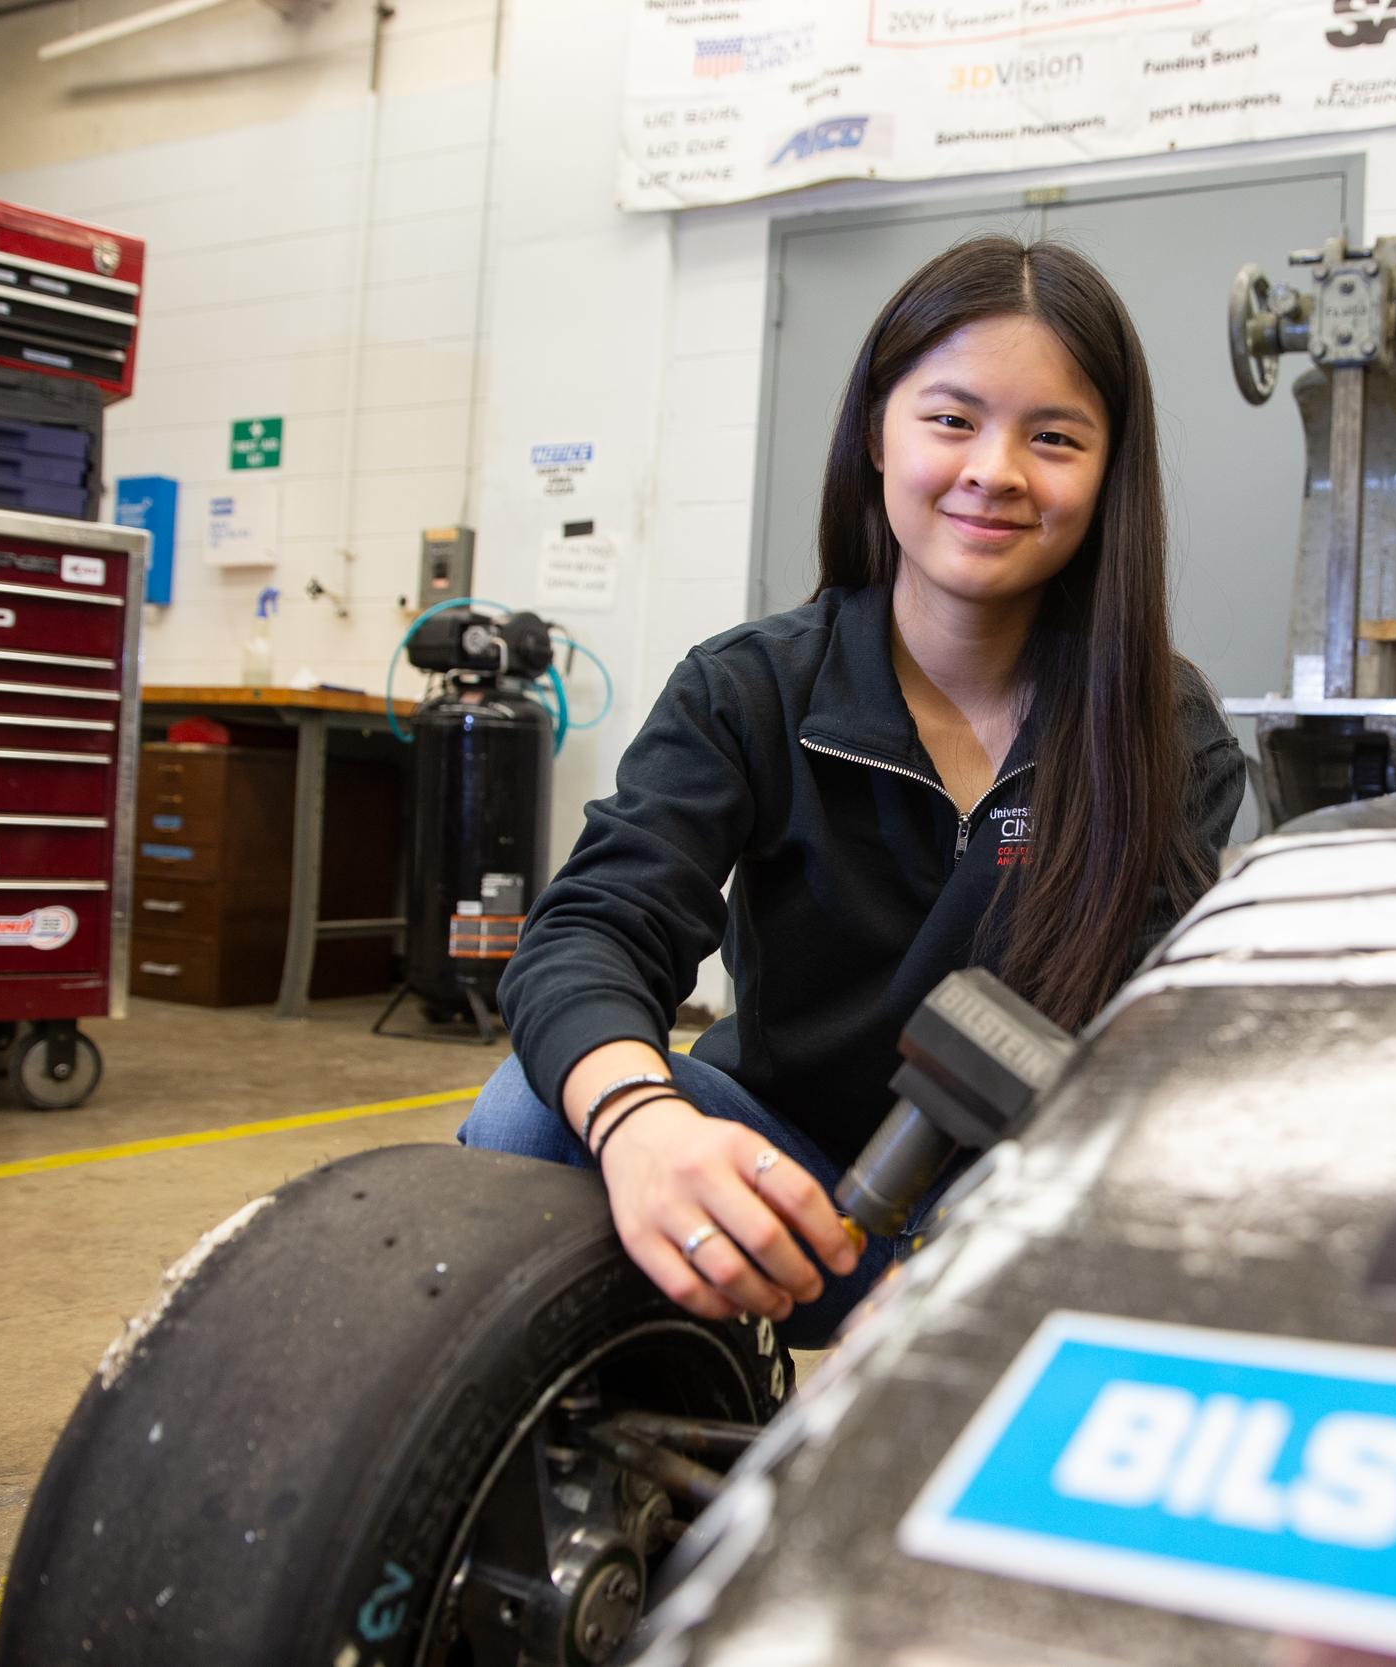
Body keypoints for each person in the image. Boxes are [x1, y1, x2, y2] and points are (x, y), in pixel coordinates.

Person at [458, 236, 1246, 1347]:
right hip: (793, 1196)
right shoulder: (748, 689)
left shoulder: (1164, 734)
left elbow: (1155, 1054)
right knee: (532, 1111)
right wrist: (641, 1119)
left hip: (1027, 1227)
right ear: (877, 430)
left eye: (1054, 436)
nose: (996, 469)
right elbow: (591, 929)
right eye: (951, 418)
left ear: (1110, 470)